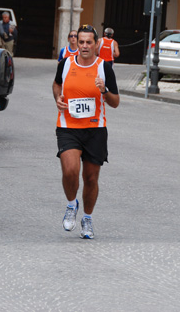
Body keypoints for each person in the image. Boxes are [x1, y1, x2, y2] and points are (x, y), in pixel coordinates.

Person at [52, 24, 120, 239]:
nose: (84, 46)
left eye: (88, 42)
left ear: (96, 44)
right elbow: (56, 85)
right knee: (70, 170)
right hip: (68, 127)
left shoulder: (104, 68)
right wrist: (58, 98)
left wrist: (104, 90)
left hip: (95, 130)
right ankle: (72, 204)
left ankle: (87, 219)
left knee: (91, 178)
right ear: (76, 42)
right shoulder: (65, 64)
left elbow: (116, 102)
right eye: (80, 41)